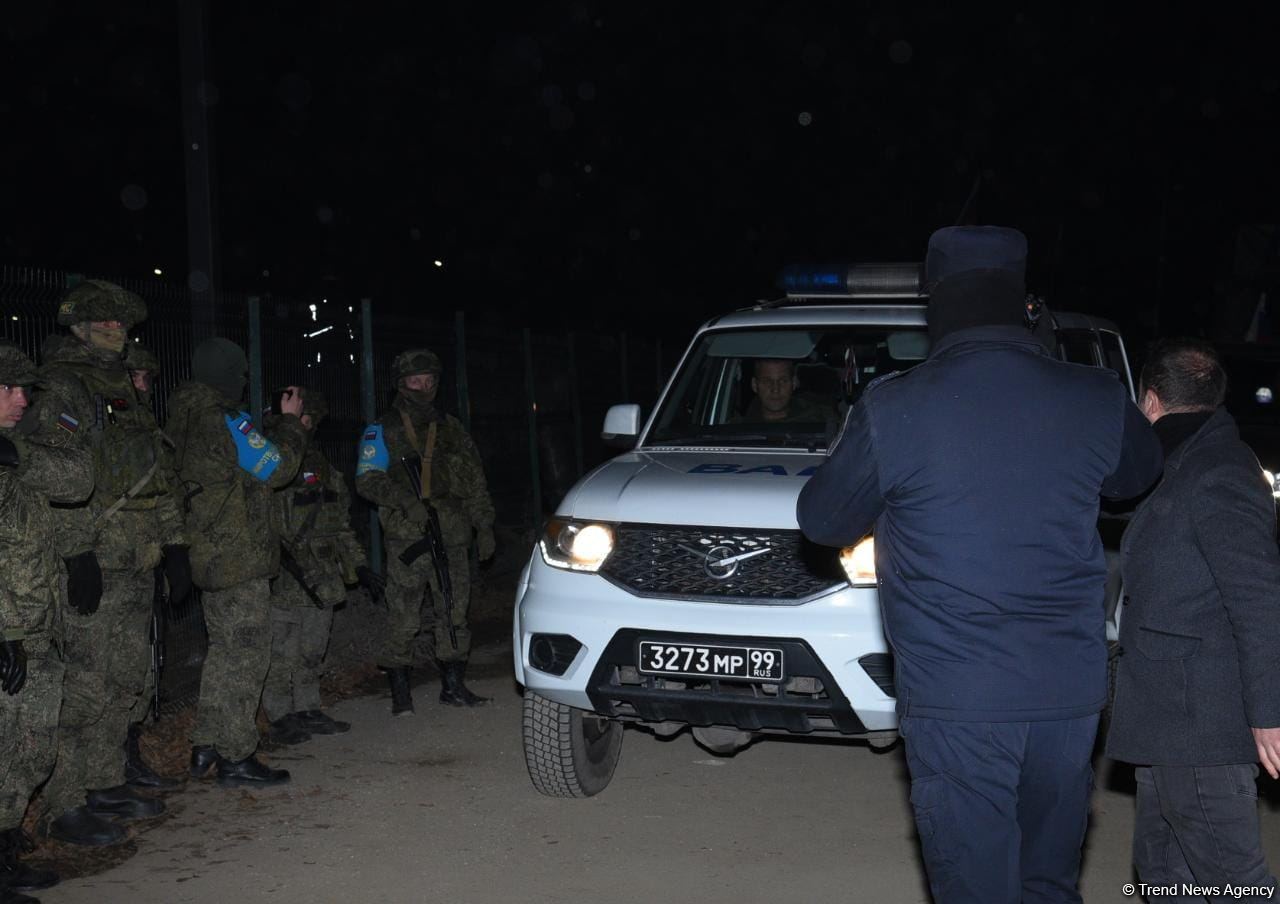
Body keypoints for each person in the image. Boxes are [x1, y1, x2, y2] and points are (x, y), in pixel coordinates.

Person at [796, 226, 1163, 904]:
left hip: (960, 700)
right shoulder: (1093, 393)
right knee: (1048, 882)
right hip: (1067, 700)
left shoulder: (898, 405)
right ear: (1023, 302)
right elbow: (1137, 475)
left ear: (937, 304)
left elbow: (821, 520)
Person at [1107, 339, 1280, 898]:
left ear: (1150, 400)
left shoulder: (1219, 471)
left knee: (1236, 886)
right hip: (1167, 722)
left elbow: (1257, 598)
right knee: (1162, 877)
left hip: (1202, 725)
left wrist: (1269, 713)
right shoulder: (1185, 458)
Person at [37, 282, 191, 847]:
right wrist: (76, 552)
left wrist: (176, 545)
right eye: (101, 322)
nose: (114, 329)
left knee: (127, 680)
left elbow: (158, 473)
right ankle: (66, 802)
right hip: (96, 558)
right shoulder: (61, 386)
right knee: (86, 686)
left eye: (120, 323)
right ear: (77, 328)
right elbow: (53, 478)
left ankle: (103, 782)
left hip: (138, 556)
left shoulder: (127, 388)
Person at [168, 338, 307, 786]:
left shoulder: (184, 415)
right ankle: (236, 756)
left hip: (208, 553)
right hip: (238, 557)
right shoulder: (225, 419)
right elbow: (278, 468)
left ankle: (207, 744)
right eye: (240, 372)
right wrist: (289, 425)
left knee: (223, 656)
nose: (245, 380)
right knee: (247, 658)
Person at [0, 342, 94, 903]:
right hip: (9, 627)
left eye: (23, 389)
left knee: (29, 749)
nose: (22, 399)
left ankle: (6, 852)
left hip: (38, 624)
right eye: (8, 389)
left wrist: (15, 453)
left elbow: (77, 481)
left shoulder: (18, 448)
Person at [356, 348, 496, 714]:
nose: (423, 387)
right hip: (408, 534)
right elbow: (367, 480)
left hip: (452, 532)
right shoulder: (382, 429)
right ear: (401, 384)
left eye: (429, 381)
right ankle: (400, 692)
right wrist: (405, 500)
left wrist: (484, 525)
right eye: (415, 381)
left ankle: (453, 685)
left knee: (454, 609)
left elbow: (474, 481)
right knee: (404, 615)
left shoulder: (450, 427)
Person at [263, 387, 383, 744]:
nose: (307, 425)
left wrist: (360, 565)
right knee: (280, 654)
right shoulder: (269, 462)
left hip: (323, 574)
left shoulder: (323, 468)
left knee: (312, 650)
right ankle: (280, 716)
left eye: (311, 419)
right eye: (302, 417)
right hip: (286, 575)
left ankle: (308, 709)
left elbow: (340, 523)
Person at [741, 359, 828, 422]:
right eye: (767, 381)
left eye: (783, 381)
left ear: (794, 383)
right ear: (754, 385)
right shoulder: (736, 431)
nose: (775, 389)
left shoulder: (819, 423)